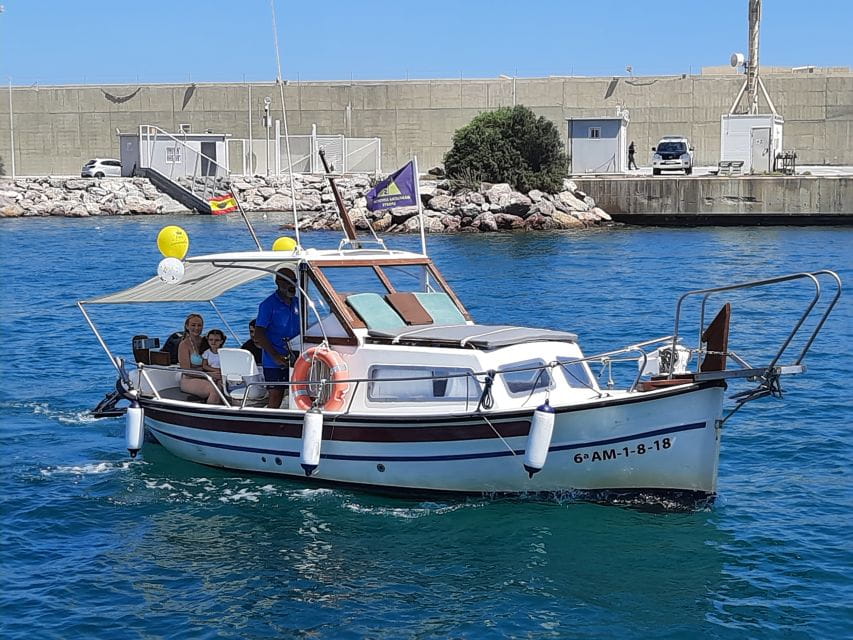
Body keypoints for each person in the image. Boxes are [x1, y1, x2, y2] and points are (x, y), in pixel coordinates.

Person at [254, 268, 300, 409]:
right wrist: (275, 356)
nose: (292, 285)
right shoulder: (267, 305)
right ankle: (266, 428)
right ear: (278, 282)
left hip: (297, 355)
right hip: (274, 358)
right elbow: (259, 333)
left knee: (299, 393)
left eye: (294, 281)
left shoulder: (300, 303)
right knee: (276, 395)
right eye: (287, 281)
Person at [177, 313, 222, 404]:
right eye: (193, 325)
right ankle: (210, 415)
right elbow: (186, 371)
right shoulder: (184, 345)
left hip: (209, 376)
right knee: (214, 390)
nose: (197, 328)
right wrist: (209, 375)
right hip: (189, 379)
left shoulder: (206, 341)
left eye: (199, 325)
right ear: (187, 326)